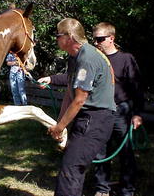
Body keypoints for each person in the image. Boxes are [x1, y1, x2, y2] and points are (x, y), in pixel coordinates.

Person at [38, 18, 116, 196]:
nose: (56, 39)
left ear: (70, 36)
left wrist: (60, 127)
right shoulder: (75, 58)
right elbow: (69, 93)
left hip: (96, 119)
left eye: (58, 35)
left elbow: (80, 99)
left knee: (71, 169)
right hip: (87, 119)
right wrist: (60, 124)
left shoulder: (87, 57)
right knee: (71, 167)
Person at [92, 22, 144, 196]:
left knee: (126, 153)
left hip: (121, 112)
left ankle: (127, 189)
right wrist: (52, 79)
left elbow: (136, 87)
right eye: (94, 39)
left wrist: (137, 114)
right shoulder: (96, 60)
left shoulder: (126, 59)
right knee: (99, 152)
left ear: (111, 38)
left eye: (99, 39)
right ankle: (102, 189)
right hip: (100, 112)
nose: (96, 43)